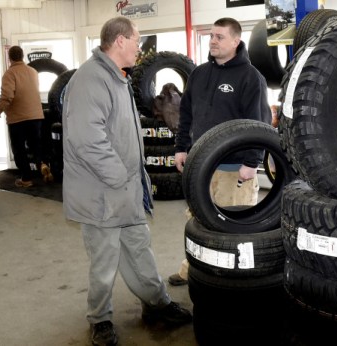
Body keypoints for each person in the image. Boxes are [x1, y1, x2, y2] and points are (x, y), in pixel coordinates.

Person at [61, 16, 192, 346]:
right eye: (136, 41)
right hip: (102, 193)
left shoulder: (117, 78)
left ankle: (156, 303)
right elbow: (87, 140)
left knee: (139, 249)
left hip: (125, 189)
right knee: (104, 260)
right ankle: (100, 319)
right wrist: (121, 177)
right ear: (119, 41)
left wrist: (135, 181)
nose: (139, 48)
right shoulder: (90, 80)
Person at [169, 17, 272, 286]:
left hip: (233, 169)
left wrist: (252, 162)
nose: (213, 41)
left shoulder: (252, 78)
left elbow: (259, 124)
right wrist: (181, 148)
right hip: (199, 168)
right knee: (197, 223)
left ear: (236, 41)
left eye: (220, 37)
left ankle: (228, 281)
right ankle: (191, 269)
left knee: (230, 228)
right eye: (211, 36)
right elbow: (186, 113)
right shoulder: (200, 73)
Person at [0, 45, 53, 187]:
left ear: (10, 58)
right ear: (22, 56)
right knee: (36, 145)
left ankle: (26, 179)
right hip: (36, 115)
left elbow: (7, 96)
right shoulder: (33, 71)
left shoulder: (10, 74)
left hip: (18, 118)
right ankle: (43, 165)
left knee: (19, 149)